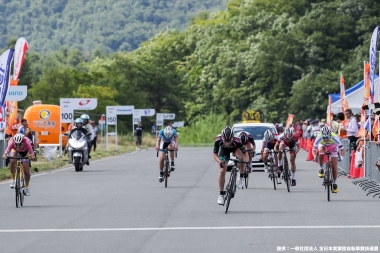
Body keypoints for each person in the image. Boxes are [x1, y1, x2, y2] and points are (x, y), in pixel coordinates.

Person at [213, 126, 249, 205]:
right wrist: (219, 161)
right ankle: (221, 195)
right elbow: (215, 154)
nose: (227, 143)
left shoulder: (237, 140)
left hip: (235, 148)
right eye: (226, 141)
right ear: (223, 138)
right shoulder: (218, 140)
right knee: (222, 171)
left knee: (241, 158)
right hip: (224, 151)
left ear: (232, 138)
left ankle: (241, 176)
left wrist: (246, 164)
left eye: (229, 141)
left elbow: (245, 153)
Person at [312, 126, 344, 193]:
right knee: (321, 153)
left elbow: (342, 149)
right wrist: (315, 156)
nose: (326, 139)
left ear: (330, 135)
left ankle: (335, 183)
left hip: (333, 148)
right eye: (324, 138)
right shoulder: (319, 137)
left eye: (327, 137)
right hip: (323, 146)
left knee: (334, 166)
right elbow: (313, 149)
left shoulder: (334, 137)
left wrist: (342, 157)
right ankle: (321, 168)